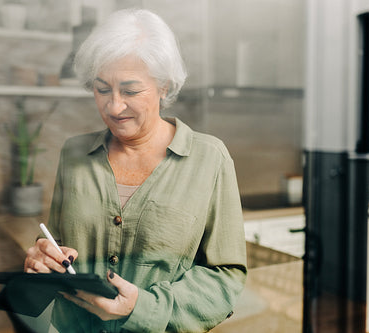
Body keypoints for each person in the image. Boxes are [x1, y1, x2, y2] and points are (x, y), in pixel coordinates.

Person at [24, 8, 247, 333]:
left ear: (164, 87)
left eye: (130, 91)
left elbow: (225, 279)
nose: (114, 107)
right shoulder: (74, 153)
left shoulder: (210, 159)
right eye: (102, 90)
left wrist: (143, 309)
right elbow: (57, 244)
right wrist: (43, 259)